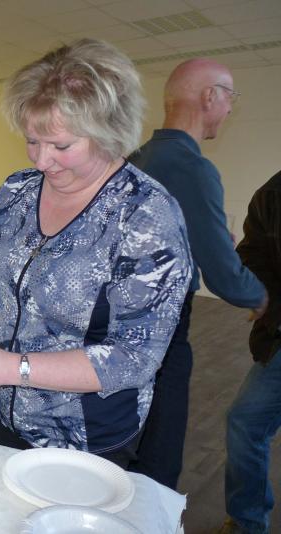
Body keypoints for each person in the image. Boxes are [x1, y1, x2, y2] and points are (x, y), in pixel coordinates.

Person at [0, 39, 192, 467]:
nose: (42, 160)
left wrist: (12, 368)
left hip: (84, 436)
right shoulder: (20, 189)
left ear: (110, 133)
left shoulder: (145, 216)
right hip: (0, 411)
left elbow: (134, 359)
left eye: (61, 146)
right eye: (32, 141)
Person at [128, 59, 267, 489]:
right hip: (163, 334)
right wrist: (262, 297)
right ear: (210, 96)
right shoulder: (193, 167)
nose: (230, 108)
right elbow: (224, 276)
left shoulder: (136, 159)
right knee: (158, 459)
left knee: (124, 443)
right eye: (230, 97)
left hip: (118, 329)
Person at [219, 170, 281, 534]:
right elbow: (252, 255)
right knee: (245, 422)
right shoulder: (272, 194)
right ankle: (247, 523)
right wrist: (267, 302)